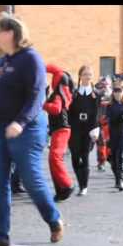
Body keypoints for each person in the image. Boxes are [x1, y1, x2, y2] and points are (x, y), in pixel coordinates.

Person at [0, 12, 63, 246]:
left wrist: (20, 122)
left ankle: (53, 220)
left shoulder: (31, 59)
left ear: (11, 33)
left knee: (30, 179)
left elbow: (37, 96)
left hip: (26, 129)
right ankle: (0, 235)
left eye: (0, 31)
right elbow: (0, 95)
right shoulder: (4, 61)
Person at [43, 64, 74, 202]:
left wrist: (42, 104)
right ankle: (61, 190)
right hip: (59, 129)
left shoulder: (58, 95)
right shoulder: (61, 93)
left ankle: (67, 185)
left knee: (55, 157)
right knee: (53, 158)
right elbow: (55, 69)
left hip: (61, 129)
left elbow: (55, 109)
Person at [68, 65, 101, 196]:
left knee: (85, 156)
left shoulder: (96, 94)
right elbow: (69, 112)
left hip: (89, 128)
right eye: (85, 74)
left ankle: (84, 186)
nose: (87, 77)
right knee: (75, 158)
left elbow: (98, 113)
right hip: (75, 128)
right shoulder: (74, 93)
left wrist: (95, 129)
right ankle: (80, 181)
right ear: (80, 76)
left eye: (90, 74)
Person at [95, 76, 113, 172]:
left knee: (111, 143)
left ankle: (111, 160)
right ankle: (101, 162)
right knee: (101, 142)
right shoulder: (97, 94)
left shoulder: (113, 94)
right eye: (103, 84)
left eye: (106, 84)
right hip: (99, 121)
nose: (105, 87)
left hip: (110, 122)